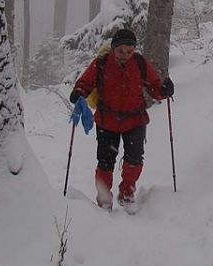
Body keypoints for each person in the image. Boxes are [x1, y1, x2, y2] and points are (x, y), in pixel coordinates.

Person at [69, 28, 174, 209]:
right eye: (120, 51)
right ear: (113, 48)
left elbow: (154, 86)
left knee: (134, 160)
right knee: (105, 163)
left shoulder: (139, 63)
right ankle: (104, 200)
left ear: (134, 50)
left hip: (135, 120)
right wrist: (79, 91)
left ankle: (127, 193)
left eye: (129, 51)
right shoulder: (101, 63)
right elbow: (85, 82)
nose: (125, 55)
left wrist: (164, 90)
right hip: (107, 121)